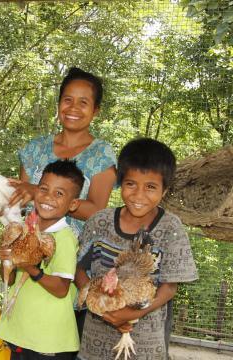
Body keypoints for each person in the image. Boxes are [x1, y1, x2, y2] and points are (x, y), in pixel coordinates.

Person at [9, 66, 117, 336]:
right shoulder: (35, 149)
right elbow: (21, 203)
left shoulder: (101, 154)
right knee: (26, 338)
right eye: (67, 99)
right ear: (58, 104)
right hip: (31, 256)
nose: (73, 107)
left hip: (76, 262)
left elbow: (97, 212)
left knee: (62, 339)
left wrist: (38, 192)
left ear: (96, 111)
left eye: (84, 102)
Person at [75, 138, 198, 360]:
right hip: (95, 341)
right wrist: (99, 303)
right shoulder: (99, 222)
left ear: (164, 190)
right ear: (121, 182)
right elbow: (80, 270)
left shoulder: (171, 228)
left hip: (145, 344)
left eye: (150, 187)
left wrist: (133, 313)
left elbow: (169, 287)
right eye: (131, 184)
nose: (139, 195)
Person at [0, 159, 85, 359]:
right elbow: (8, 280)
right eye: (43, 189)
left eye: (59, 193)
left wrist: (31, 267)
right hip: (22, 330)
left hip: (48, 338)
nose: (48, 197)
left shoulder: (64, 238)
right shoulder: (25, 231)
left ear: (73, 204)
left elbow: (61, 289)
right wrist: (6, 261)